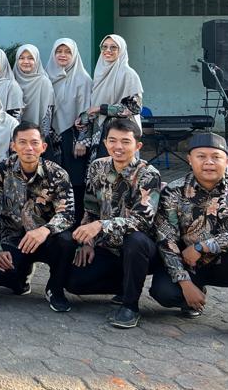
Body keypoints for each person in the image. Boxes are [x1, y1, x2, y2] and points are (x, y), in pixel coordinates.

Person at [150, 132, 228, 344]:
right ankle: (192, 297)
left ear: (227, 161)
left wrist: (203, 247)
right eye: (201, 156)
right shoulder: (174, 191)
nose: (209, 162)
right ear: (190, 159)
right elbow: (166, 238)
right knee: (164, 292)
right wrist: (185, 283)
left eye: (216, 157)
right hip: (190, 264)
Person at [65, 119, 161, 329]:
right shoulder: (97, 167)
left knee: (135, 240)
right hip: (108, 247)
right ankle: (124, 284)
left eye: (125, 142)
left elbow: (142, 221)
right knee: (73, 282)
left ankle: (130, 306)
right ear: (105, 143)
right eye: (112, 140)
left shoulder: (148, 174)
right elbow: (90, 208)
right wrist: (88, 242)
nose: (118, 147)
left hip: (140, 250)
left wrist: (101, 225)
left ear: (138, 145)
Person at [0, 122, 76, 312]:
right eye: (22, 142)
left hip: (47, 238)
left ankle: (55, 289)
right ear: (13, 146)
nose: (29, 148)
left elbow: (67, 214)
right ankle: (22, 279)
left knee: (66, 241)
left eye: (34, 143)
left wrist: (45, 230)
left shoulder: (57, 173)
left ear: (43, 147)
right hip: (13, 237)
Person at [45, 38, 93, 222]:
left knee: (75, 182)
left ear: (74, 55)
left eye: (67, 52)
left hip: (73, 136)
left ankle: (76, 223)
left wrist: (82, 140)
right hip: (51, 137)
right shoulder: (47, 76)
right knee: (53, 181)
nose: (62, 55)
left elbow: (87, 112)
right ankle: (55, 222)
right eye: (59, 51)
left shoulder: (83, 79)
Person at [78, 34, 143, 159]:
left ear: (121, 50)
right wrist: (84, 117)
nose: (108, 50)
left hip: (121, 133)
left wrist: (101, 108)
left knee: (120, 167)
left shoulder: (129, 74)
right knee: (101, 167)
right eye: (104, 47)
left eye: (113, 47)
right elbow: (93, 105)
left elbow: (135, 107)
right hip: (100, 132)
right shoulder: (99, 73)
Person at [13, 44, 55, 142]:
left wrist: (42, 139)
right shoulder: (12, 80)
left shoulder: (44, 82)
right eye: (21, 58)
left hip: (37, 137)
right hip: (15, 137)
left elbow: (48, 113)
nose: (26, 61)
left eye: (30, 58)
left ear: (37, 60)